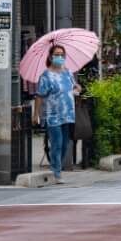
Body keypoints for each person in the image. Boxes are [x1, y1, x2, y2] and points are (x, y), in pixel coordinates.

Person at [34, 44, 78, 183]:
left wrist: (77, 88)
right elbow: (39, 96)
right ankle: (56, 172)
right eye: (56, 54)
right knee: (57, 143)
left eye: (62, 55)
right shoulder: (46, 76)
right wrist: (36, 114)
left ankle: (57, 166)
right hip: (53, 116)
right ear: (50, 56)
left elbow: (75, 87)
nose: (60, 57)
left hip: (68, 114)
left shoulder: (68, 72)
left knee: (65, 144)